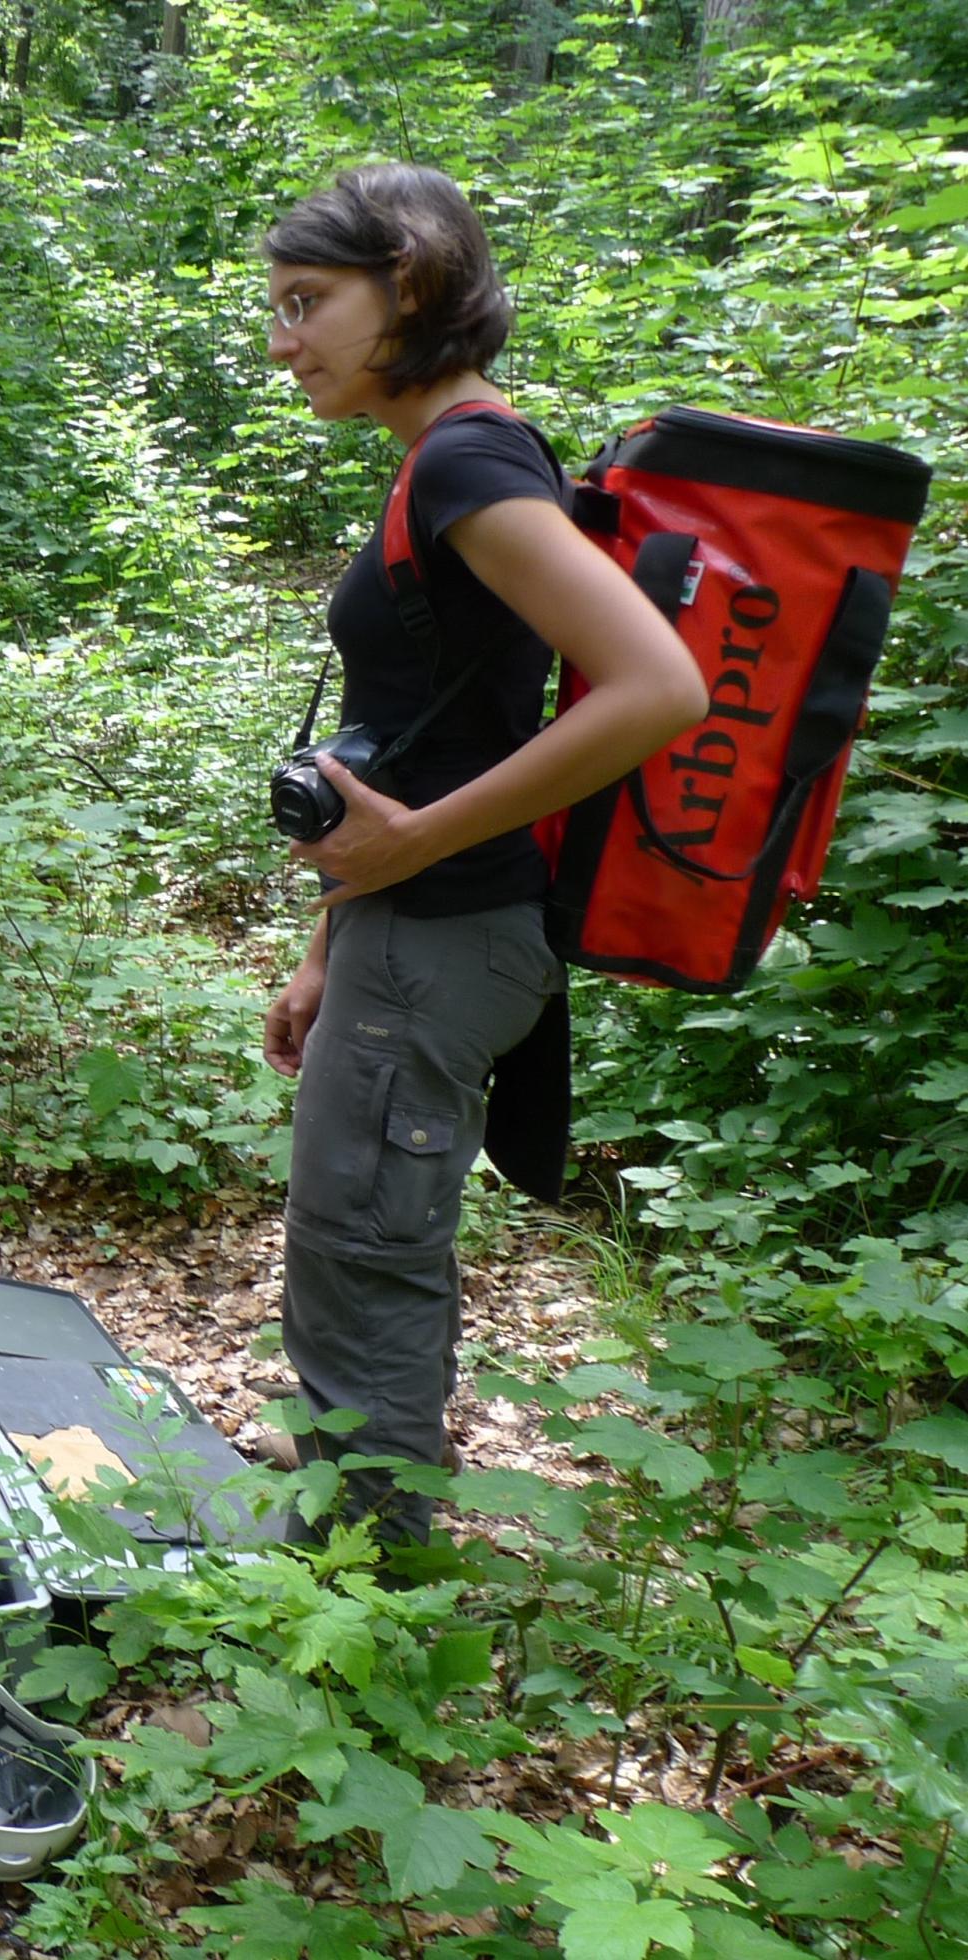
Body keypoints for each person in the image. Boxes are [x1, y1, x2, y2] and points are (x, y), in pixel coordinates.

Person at [259, 166, 705, 1541]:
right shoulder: (446, 457)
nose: (283, 339)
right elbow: (431, 727)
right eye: (276, 307)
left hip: (447, 936)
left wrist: (403, 857)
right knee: (357, 1251)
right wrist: (334, 934)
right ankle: (354, 1538)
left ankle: (362, 1581)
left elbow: (659, 686)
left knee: (363, 1259)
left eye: (306, 301)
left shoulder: (464, 456)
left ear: (414, 280)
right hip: (408, 937)